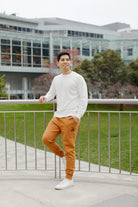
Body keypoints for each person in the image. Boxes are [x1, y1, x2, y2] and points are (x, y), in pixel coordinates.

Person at [39, 51, 88, 190]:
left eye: (67, 59)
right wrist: (45, 98)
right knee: (46, 139)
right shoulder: (57, 79)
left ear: (70, 62)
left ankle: (69, 178)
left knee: (69, 149)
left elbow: (84, 99)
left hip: (70, 118)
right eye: (62, 60)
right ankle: (62, 156)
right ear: (58, 63)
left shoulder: (78, 78)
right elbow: (51, 94)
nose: (65, 61)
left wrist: (78, 115)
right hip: (57, 117)